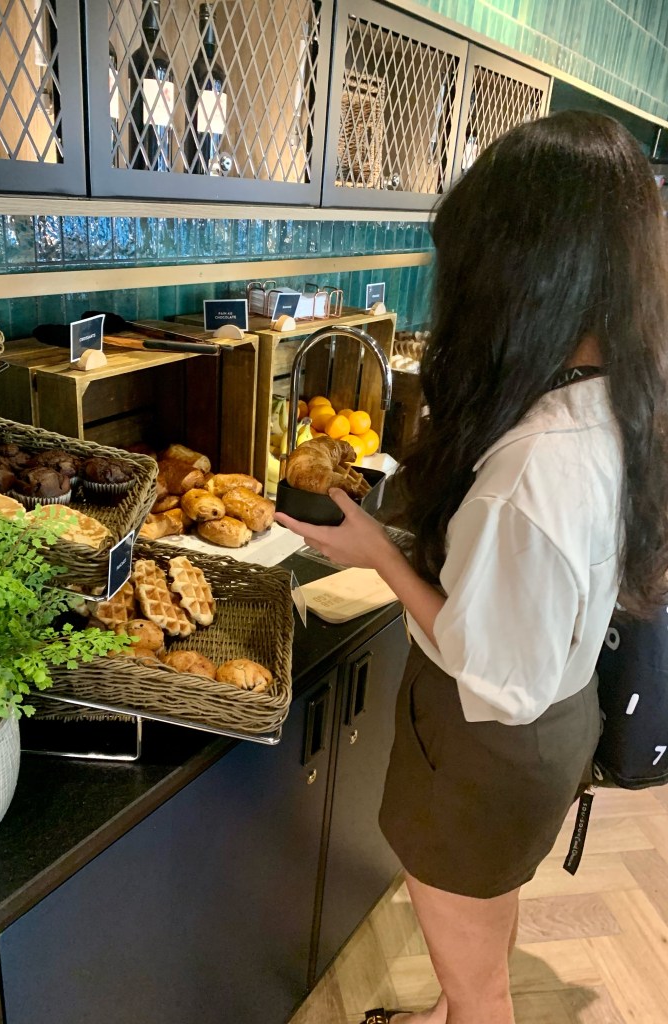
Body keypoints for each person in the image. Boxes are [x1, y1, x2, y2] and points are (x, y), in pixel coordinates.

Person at [275, 110, 668, 1024]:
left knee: (479, 977)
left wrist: (374, 551)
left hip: (489, 748)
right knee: (482, 919)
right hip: (554, 730)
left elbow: (493, 672)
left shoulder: (536, 470)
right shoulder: (621, 400)